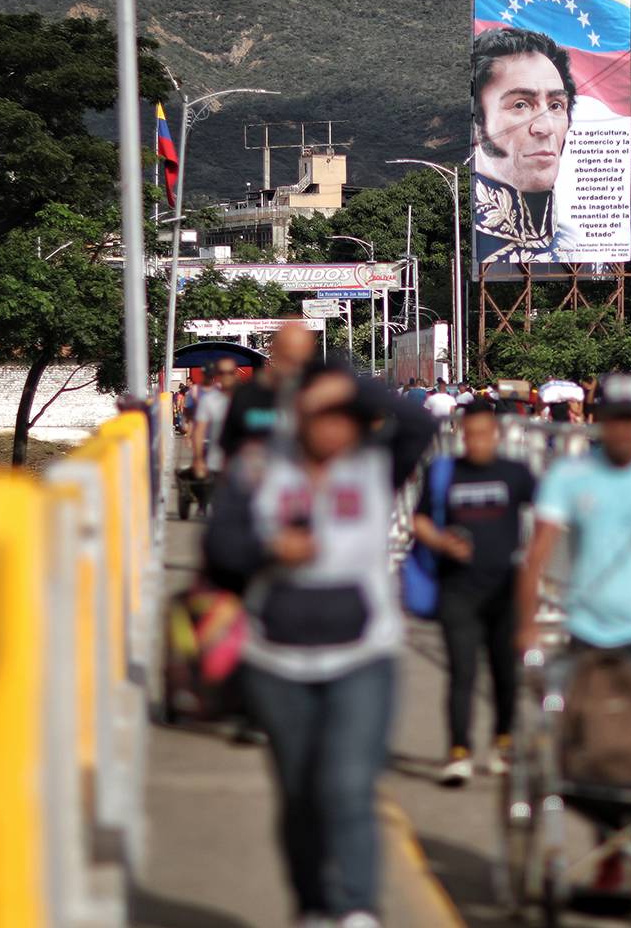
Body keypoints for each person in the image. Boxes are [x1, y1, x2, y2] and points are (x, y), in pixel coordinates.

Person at [203, 364, 436, 928]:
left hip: (363, 657)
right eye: (320, 414)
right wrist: (268, 551)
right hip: (276, 662)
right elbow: (220, 550)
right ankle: (312, 905)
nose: (333, 428)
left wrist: (354, 383)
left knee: (350, 785)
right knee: (301, 795)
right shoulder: (259, 469)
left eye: (344, 415)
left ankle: (357, 909)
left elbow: (416, 423)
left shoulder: (374, 464)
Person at [516, 372, 631, 900]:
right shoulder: (571, 477)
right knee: (595, 750)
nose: (623, 431)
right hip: (588, 630)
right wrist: (527, 622)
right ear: (597, 421)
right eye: (613, 420)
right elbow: (538, 554)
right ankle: (609, 858)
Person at [412, 398, 536, 786]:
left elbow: (550, 515)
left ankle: (503, 743)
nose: (477, 442)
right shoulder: (444, 472)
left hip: (505, 588)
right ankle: (458, 751)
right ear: (461, 435)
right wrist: (442, 543)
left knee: (504, 672)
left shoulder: (516, 473)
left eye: (484, 435)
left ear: (496, 435)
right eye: (471, 435)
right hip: (457, 587)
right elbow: (418, 520)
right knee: (462, 670)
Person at [471, 27, 580, 266]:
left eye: (555, 106)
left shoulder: (579, 247)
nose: (544, 127)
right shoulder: (466, 241)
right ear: (477, 123)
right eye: (520, 105)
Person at [218, 324, 316, 463]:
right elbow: (228, 450)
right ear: (274, 350)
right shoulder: (246, 396)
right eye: (288, 356)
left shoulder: (315, 396)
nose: (294, 366)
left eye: (301, 360)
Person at [190, 358, 239, 501]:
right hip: (217, 462)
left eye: (230, 373)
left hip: (243, 466)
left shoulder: (246, 397)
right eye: (222, 373)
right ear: (217, 375)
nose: (226, 377)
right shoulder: (208, 400)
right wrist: (198, 459)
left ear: (236, 374)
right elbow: (199, 431)